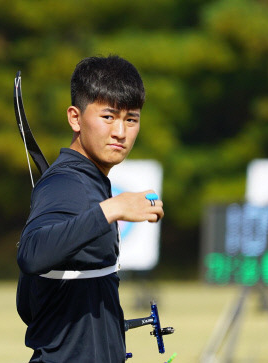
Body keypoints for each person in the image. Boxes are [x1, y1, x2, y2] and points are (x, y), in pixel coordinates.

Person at [16, 55, 164, 363]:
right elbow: (31, 254)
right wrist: (111, 209)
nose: (120, 132)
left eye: (131, 119)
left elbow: (27, 304)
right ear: (75, 117)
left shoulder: (90, 181)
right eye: (108, 117)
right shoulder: (68, 186)